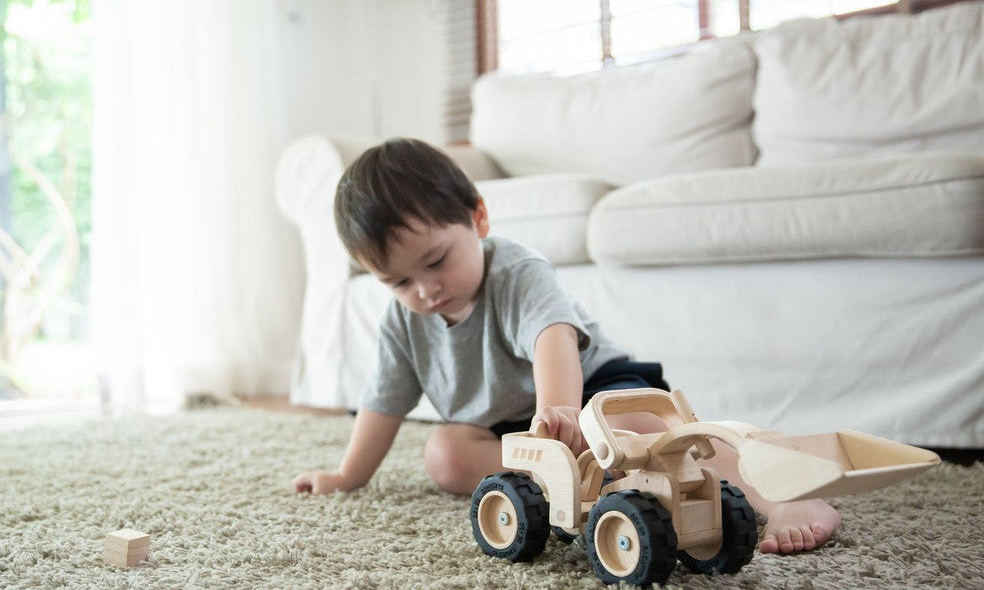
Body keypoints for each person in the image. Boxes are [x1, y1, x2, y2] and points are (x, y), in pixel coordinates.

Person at [292, 138, 839, 555]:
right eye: (399, 282)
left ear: (478, 218)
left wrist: (561, 409)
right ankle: (586, 484)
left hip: (591, 393)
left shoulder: (518, 272)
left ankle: (780, 494)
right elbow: (382, 403)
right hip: (521, 429)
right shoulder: (403, 322)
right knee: (444, 454)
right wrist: (347, 476)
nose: (425, 290)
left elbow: (551, 337)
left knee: (648, 430)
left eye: (435, 262)